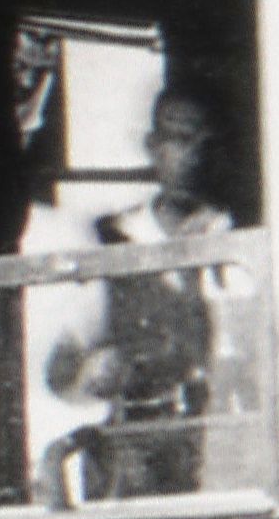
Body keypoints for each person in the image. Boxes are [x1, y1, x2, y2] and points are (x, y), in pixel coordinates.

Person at [41, 84, 252, 497]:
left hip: (235, 454)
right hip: (141, 463)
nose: (193, 155)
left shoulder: (249, 238)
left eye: (206, 143)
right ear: (153, 145)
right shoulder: (113, 242)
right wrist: (97, 371)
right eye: (178, 139)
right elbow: (62, 372)